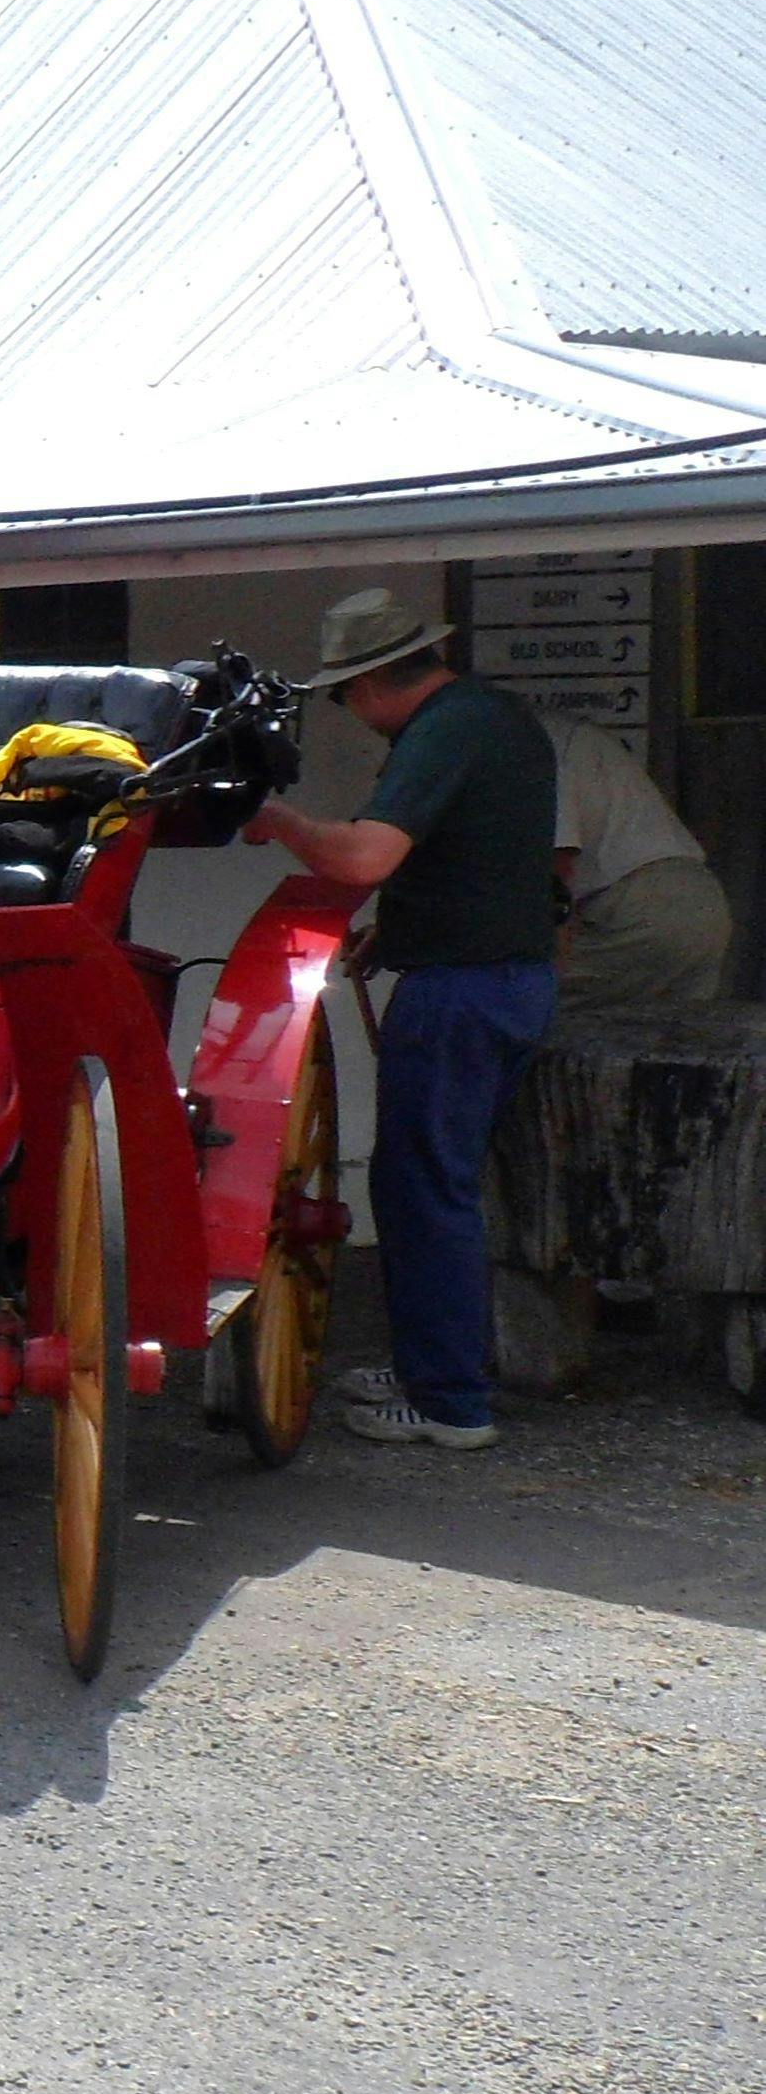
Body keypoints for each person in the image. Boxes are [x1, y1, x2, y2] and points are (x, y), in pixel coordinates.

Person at [242, 586, 560, 1451]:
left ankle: (450, 1400)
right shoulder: (492, 718)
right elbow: (484, 858)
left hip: (463, 988)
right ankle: (432, 1362)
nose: (349, 711)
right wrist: (404, 926)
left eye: (346, 692)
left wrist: (275, 819)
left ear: (377, 678)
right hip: (491, 975)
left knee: (425, 1184)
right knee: (423, 1179)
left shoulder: (444, 729)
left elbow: (362, 855)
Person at [542, 710, 733, 1018]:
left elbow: (554, 875)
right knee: (675, 1036)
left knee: (505, 1004)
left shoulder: (530, 744)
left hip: (630, 908)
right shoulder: (565, 732)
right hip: (699, 902)